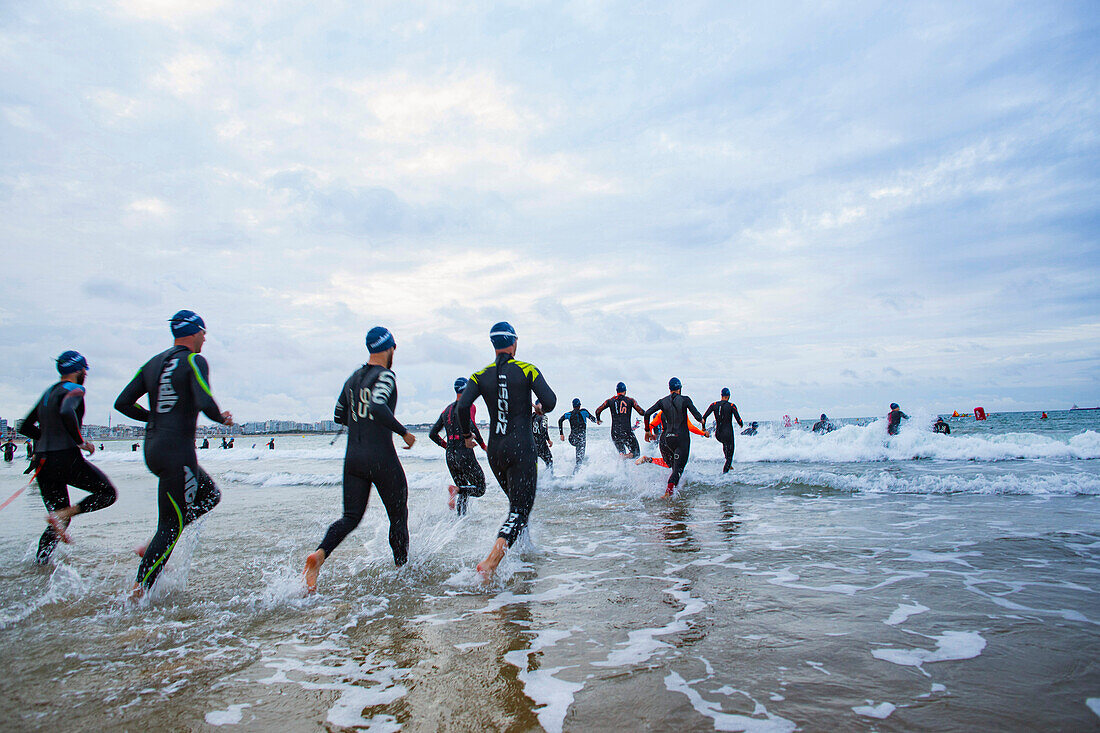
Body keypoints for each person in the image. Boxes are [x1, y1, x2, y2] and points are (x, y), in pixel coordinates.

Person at [115, 310, 233, 598]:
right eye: (204, 332)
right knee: (170, 524)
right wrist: (222, 418)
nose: (205, 338)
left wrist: (155, 417)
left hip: (153, 448)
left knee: (209, 496)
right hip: (178, 452)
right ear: (194, 332)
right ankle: (137, 594)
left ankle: (154, 545)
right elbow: (204, 399)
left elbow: (123, 403)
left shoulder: (152, 363)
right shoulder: (194, 360)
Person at [303, 327, 415, 592]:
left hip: (353, 459)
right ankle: (402, 572)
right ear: (390, 348)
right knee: (398, 517)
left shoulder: (353, 378)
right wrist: (404, 432)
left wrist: (359, 417)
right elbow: (377, 406)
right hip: (381, 457)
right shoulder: (386, 376)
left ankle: (319, 555)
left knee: (350, 517)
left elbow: (339, 414)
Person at [456, 322, 556, 580]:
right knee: (520, 510)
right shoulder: (527, 369)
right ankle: (491, 562)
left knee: (517, 505)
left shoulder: (479, 375)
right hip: (521, 449)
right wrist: (539, 408)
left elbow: (462, 407)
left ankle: (524, 550)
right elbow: (551, 401)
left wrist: (467, 437)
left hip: (495, 452)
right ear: (514, 343)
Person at [17, 351, 118, 563]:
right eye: (85, 369)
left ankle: (41, 564)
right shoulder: (75, 389)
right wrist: (80, 441)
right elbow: (65, 412)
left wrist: (44, 440)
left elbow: (25, 426)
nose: (86, 373)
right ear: (78, 370)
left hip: (42, 462)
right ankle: (67, 513)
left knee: (58, 520)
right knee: (107, 494)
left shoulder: (48, 393)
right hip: (65, 459)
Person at [429, 377, 487, 516]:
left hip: (450, 456)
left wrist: (446, 446)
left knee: (462, 487)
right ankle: (457, 493)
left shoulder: (446, 410)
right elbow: (471, 426)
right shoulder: (469, 406)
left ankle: (461, 519)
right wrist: (484, 445)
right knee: (480, 488)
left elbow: (432, 434)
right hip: (464, 453)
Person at [644, 378, 705, 498]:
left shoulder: (662, 401)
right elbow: (698, 416)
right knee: (678, 469)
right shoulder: (685, 399)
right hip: (681, 438)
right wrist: (703, 425)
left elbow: (647, 413)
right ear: (680, 388)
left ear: (669, 389)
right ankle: (668, 493)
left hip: (668, 439)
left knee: (673, 466)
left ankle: (671, 489)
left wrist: (647, 431)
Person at [636, 410, 707, 468]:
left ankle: (649, 459)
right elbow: (690, 427)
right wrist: (703, 433)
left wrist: (650, 434)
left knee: (668, 463)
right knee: (677, 463)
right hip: (676, 439)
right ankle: (674, 483)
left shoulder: (661, 413)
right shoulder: (681, 412)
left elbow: (650, 426)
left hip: (663, 439)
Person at [595, 382, 645, 458]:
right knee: (636, 453)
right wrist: (647, 414)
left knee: (621, 452)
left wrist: (598, 419)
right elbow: (641, 412)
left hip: (614, 433)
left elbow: (598, 410)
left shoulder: (610, 400)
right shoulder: (630, 400)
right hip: (626, 431)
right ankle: (625, 457)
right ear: (625, 391)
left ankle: (621, 463)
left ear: (617, 391)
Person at [702, 388, 744, 473]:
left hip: (718, 434)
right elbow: (738, 419)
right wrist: (741, 424)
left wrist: (703, 428)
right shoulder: (731, 405)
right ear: (728, 396)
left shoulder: (713, 404)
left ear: (721, 395)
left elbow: (704, 417)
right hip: (728, 433)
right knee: (730, 454)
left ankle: (728, 464)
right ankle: (725, 475)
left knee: (725, 445)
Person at [558, 398, 598, 472]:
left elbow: (560, 420)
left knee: (578, 450)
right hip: (581, 439)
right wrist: (598, 420)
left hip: (571, 439)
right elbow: (593, 419)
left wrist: (561, 434)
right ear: (580, 405)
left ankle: (576, 472)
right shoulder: (584, 412)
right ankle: (576, 475)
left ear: (573, 406)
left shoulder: (569, 414)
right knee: (579, 459)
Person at [532, 404, 554, 470]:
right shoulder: (544, 417)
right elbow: (543, 429)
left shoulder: (531, 417)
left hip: (532, 444)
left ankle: (536, 478)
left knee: (533, 463)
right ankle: (549, 478)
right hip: (541, 444)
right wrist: (548, 440)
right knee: (549, 461)